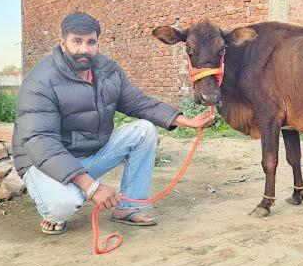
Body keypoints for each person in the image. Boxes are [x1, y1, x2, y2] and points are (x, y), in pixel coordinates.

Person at [12, 12, 214, 235]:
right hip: (43, 162)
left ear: (98, 42)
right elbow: (42, 143)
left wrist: (187, 121)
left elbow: (139, 103)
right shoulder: (41, 81)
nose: (84, 49)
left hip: (87, 155)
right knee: (62, 207)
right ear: (63, 43)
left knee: (144, 130)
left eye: (91, 42)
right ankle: (55, 207)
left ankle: (128, 207)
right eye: (76, 41)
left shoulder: (107, 70)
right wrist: (92, 187)